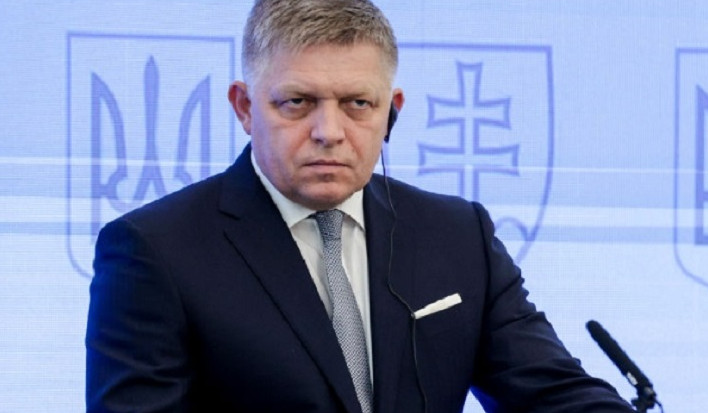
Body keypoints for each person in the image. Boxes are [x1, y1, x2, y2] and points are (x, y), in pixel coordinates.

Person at [85, 0, 636, 412]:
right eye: (297, 102)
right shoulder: (155, 251)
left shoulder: (457, 234)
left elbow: (552, 392)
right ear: (245, 107)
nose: (329, 131)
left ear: (391, 110)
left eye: (357, 104)